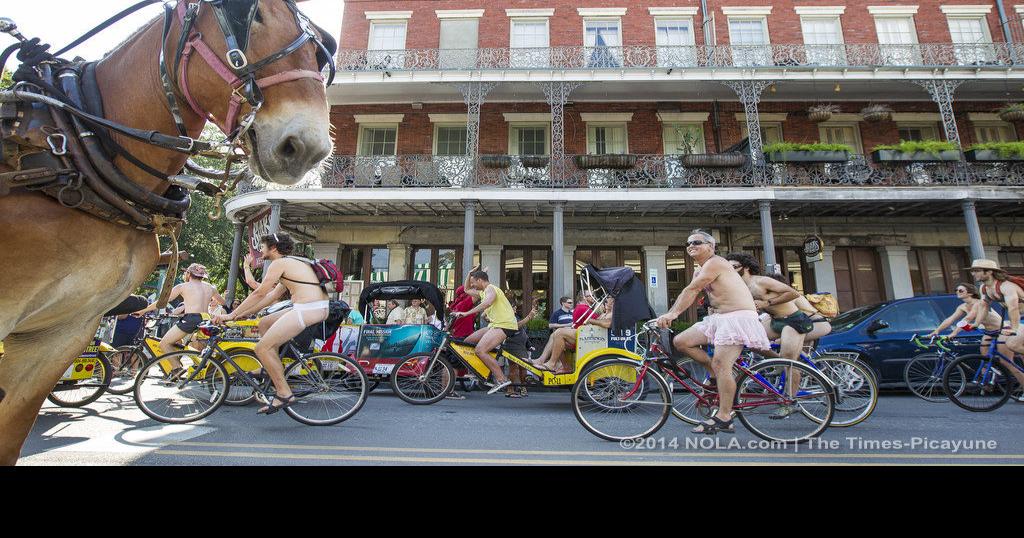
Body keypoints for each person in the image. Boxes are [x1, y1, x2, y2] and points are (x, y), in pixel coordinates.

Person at [655, 230, 771, 435]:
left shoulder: (716, 262)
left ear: (711, 246)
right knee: (681, 341)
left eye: (696, 242)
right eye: (688, 243)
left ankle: (725, 416)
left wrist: (672, 314)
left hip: (737, 318)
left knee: (721, 364)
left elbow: (692, 290)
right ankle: (715, 375)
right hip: (719, 318)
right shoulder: (699, 270)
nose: (691, 246)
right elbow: (692, 292)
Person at [214, 233, 335, 414]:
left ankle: (284, 393)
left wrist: (231, 314)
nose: (260, 250)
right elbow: (272, 296)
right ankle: (268, 366)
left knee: (262, 348)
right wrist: (243, 314)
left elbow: (259, 293)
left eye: (262, 246)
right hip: (314, 307)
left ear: (273, 248)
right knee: (265, 322)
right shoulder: (292, 263)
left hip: (307, 309)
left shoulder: (278, 264)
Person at [132, 263, 225, 377]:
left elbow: (162, 302)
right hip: (206, 319)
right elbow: (223, 303)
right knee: (182, 343)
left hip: (191, 319)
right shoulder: (211, 288)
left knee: (164, 344)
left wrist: (143, 311)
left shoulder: (183, 286)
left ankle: (177, 368)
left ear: (188, 274)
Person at [725, 253, 807, 361]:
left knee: (788, 360)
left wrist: (767, 303)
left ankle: (785, 363)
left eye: (735, 267)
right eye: (729, 267)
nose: (731, 270)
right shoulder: (740, 287)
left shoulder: (761, 281)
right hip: (775, 321)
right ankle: (778, 361)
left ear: (746, 267)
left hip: (793, 320)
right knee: (752, 342)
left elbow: (794, 293)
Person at [452, 266, 515, 394]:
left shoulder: (491, 288)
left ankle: (501, 379)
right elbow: (466, 289)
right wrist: (469, 274)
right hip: (495, 325)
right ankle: (478, 370)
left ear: (480, 280)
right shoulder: (483, 292)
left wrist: (466, 313)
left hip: (504, 325)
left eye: (474, 282)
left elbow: (487, 303)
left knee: (480, 350)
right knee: (468, 342)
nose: (473, 285)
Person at [961, 259, 1024, 388]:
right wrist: (976, 323)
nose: (973, 274)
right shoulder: (984, 288)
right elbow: (984, 306)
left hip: (1019, 319)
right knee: (1005, 360)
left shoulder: (1006, 286)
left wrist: (1014, 328)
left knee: (1012, 344)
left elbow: (1013, 308)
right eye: (973, 271)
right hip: (1019, 319)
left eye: (977, 271)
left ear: (989, 272)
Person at [928, 283, 1006, 356]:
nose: (957, 292)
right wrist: (936, 331)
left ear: (970, 293)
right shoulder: (963, 306)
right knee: (984, 358)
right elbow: (950, 319)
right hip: (989, 332)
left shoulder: (979, 303)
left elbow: (968, 318)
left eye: (960, 290)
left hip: (1003, 330)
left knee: (1005, 360)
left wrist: (954, 333)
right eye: (956, 290)